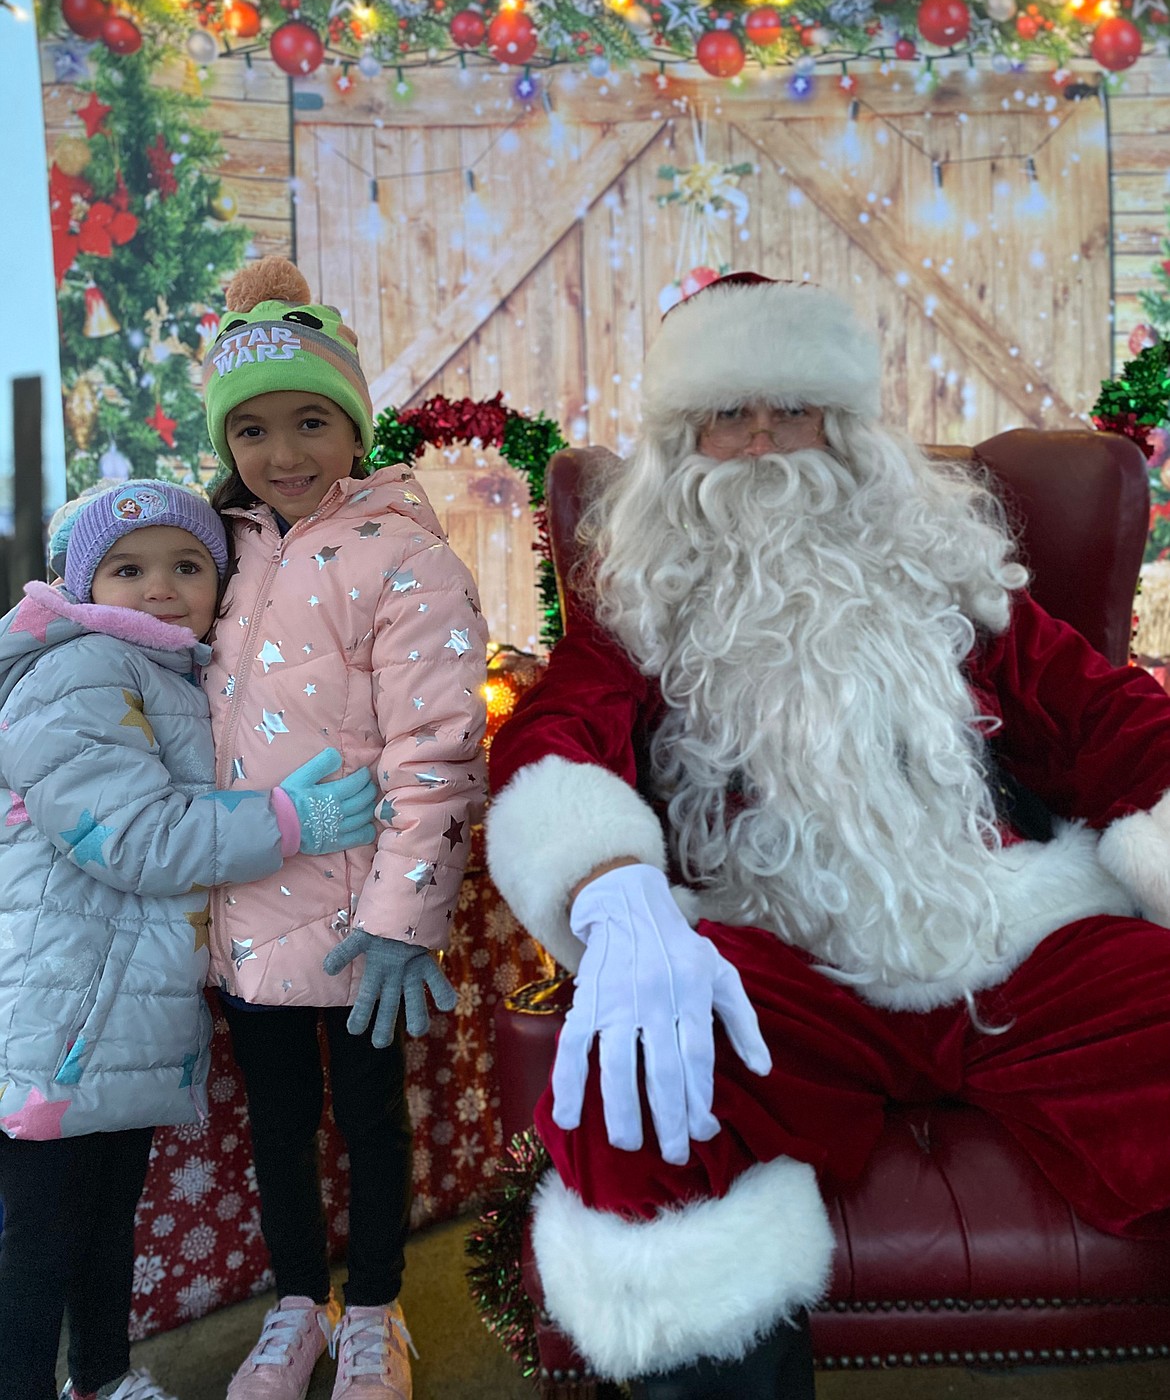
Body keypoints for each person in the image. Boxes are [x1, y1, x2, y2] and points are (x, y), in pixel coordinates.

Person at [486, 274, 1170, 1399]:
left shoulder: (950, 584)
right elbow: (561, 734)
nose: (761, 443)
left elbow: (1108, 722)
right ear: (681, 443)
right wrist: (610, 885)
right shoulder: (643, 605)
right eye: (729, 414)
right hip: (778, 961)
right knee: (636, 1081)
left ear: (845, 430)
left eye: (791, 409)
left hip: (1000, 933)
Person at [0, 479, 376, 1400]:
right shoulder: (82, 669)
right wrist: (290, 821)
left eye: (186, 565)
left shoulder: (160, 672)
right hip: (63, 1013)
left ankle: (100, 1378)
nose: (160, 586)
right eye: (128, 568)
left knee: (105, 1218)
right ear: (82, 581)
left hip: (113, 1007)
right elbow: (131, 835)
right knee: (44, 1235)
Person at [199, 257, 488, 1400]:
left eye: (312, 420)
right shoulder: (213, 552)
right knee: (275, 1125)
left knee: (369, 1123)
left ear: (353, 424)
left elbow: (439, 749)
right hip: (242, 910)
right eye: (255, 429)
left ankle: (375, 1309)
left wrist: (404, 916)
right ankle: (293, 1307)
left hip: (361, 922)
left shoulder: (404, 555)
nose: (283, 453)